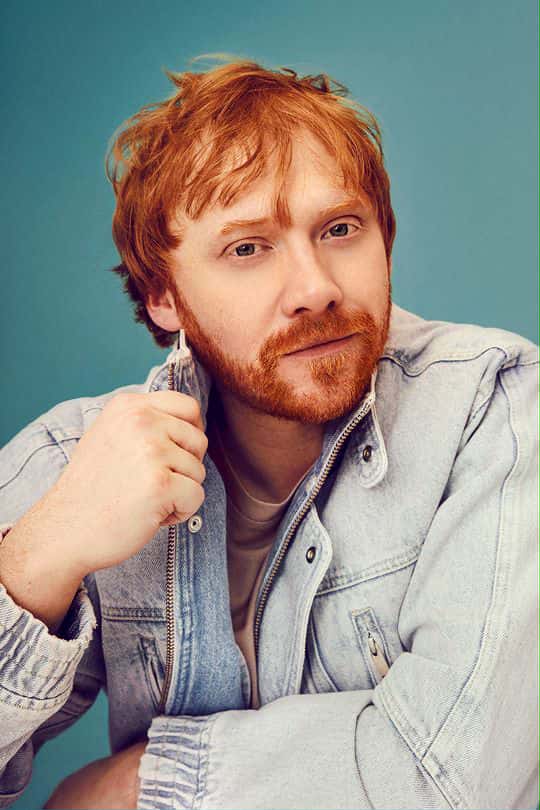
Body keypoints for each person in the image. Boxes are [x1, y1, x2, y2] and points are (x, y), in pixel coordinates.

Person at [0, 56, 538, 810]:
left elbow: (450, 778)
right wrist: (38, 558)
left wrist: (137, 788)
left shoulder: (493, 408)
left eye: (340, 229)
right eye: (248, 248)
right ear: (162, 295)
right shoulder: (77, 460)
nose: (316, 288)